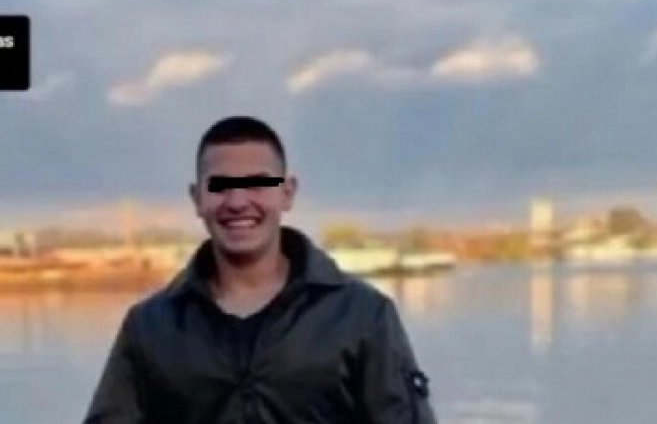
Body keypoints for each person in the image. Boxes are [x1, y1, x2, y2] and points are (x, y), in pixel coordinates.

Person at [83, 115, 438, 424]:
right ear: (197, 198)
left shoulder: (361, 316)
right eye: (219, 186)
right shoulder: (150, 328)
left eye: (257, 184)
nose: (237, 202)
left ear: (287, 193)